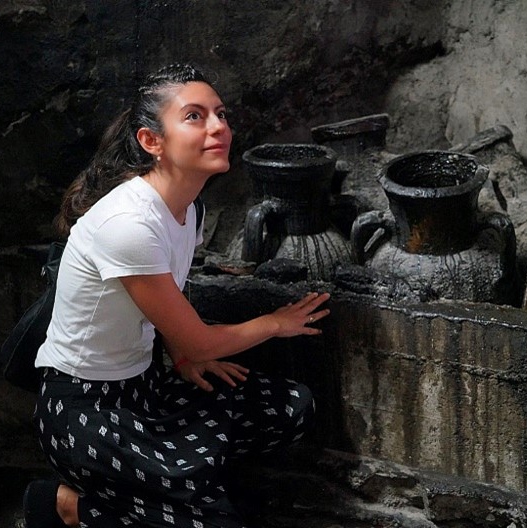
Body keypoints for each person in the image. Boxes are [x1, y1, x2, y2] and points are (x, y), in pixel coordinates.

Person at [22, 63, 330, 528]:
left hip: (146, 387)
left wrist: (184, 360)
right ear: (152, 142)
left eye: (221, 114)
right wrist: (275, 322)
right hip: (83, 411)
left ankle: (176, 489)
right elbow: (200, 342)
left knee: (291, 407)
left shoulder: (189, 207)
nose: (218, 127)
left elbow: (171, 312)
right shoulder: (128, 224)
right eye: (195, 116)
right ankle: (67, 505)